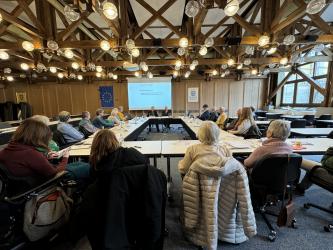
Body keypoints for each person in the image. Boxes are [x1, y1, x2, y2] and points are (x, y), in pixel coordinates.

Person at [71, 130, 166, 249]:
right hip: (142, 210)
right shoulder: (134, 156)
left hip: (115, 218)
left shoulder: (98, 172)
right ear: (115, 142)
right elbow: (146, 169)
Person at [0, 119, 69, 186]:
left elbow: (25, 162)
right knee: (79, 169)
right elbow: (53, 173)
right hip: (40, 184)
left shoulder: (7, 149)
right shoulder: (30, 153)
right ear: (38, 136)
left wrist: (46, 157)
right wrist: (65, 158)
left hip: (19, 187)